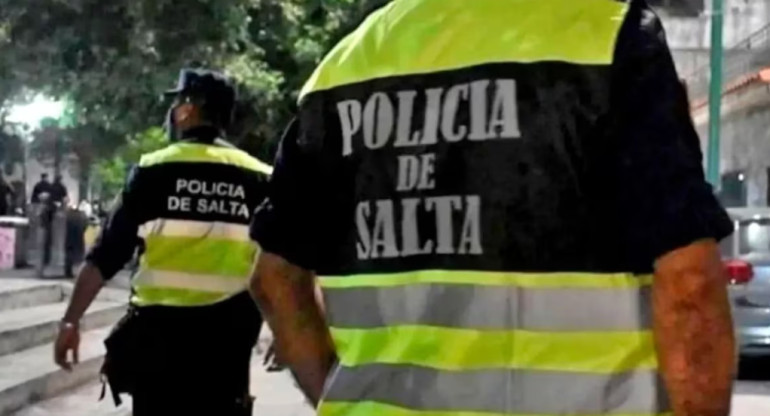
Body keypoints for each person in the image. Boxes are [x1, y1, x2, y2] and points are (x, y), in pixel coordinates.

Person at [248, 1, 736, 416]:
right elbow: (688, 281)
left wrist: (342, 397)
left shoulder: (346, 66)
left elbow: (274, 278)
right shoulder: (602, 36)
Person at [53, 68, 272, 416]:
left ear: (188, 110)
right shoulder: (259, 177)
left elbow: (106, 255)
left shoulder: (153, 171)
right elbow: (279, 262)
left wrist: (70, 321)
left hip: (158, 339)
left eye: (177, 103)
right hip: (227, 341)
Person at [63, 198, 89, 278]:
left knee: (69, 254)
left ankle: (68, 271)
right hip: (78, 237)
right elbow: (85, 225)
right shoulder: (82, 215)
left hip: (69, 237)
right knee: (78, 255)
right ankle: (78, 272)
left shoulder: (67, 215)